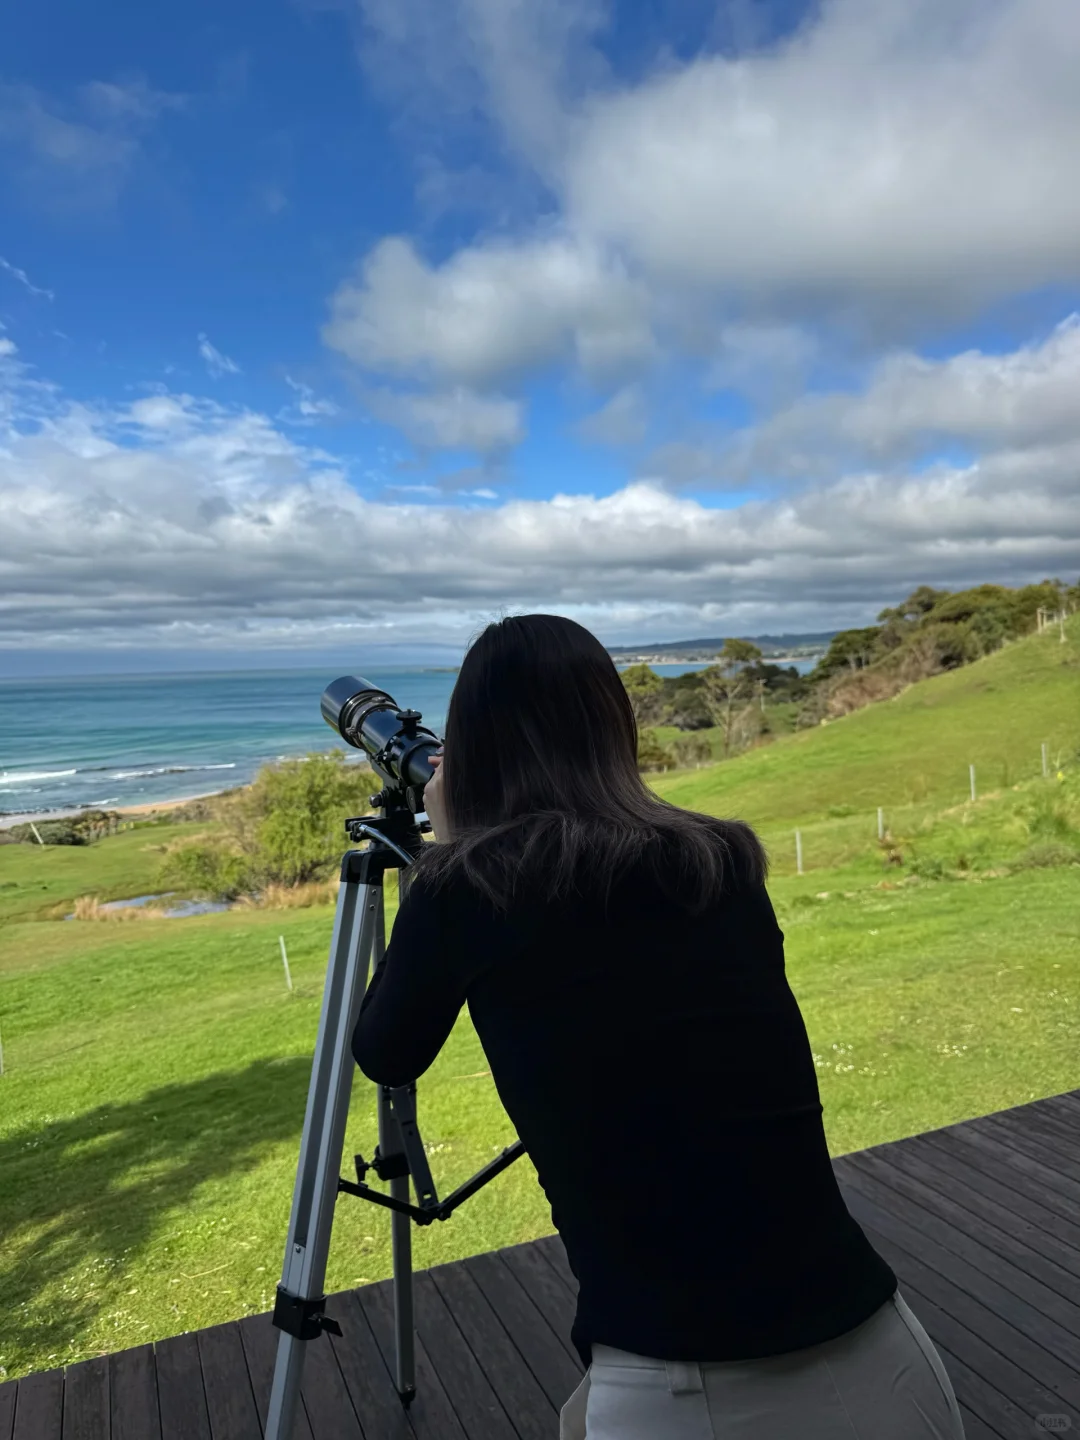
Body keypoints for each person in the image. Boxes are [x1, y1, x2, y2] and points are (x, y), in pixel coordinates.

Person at [351, 614, 966, 1440]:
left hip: (696, 1383)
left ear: (477, 746)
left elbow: (385, 1051)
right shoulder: (721, 858)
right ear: (611, 725)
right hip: (883, 1342)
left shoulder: (466, 889)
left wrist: (449, 852)